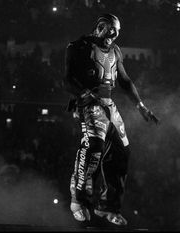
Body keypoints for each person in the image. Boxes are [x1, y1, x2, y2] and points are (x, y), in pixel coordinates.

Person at [64, 13, 159, 226]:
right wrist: (83, 94)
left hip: (109, 105)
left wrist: (140, 106)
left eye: (117, 32)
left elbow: (124, 81)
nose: (114, 35)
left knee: (122, 151)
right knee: (94, 146)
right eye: (110, 30)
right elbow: (67, 80)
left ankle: (107, 207)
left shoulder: (115, 50)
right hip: (89, 104)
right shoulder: (78, 47)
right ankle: (78, 199)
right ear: (100, 26)